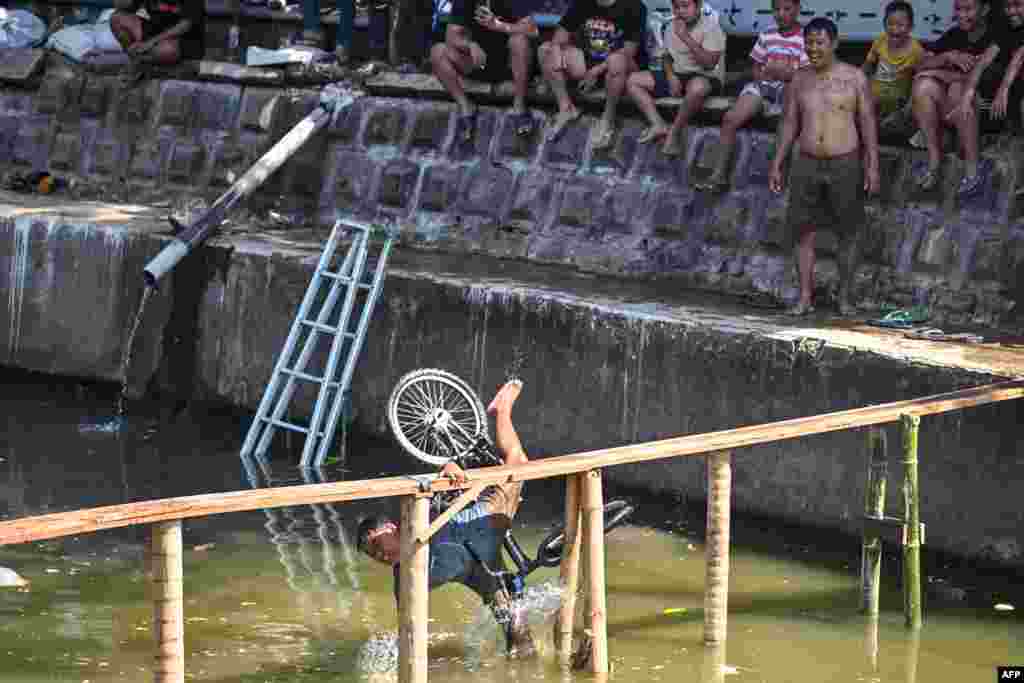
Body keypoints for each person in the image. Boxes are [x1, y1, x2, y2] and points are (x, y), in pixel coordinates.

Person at [357, 380, 536, 657]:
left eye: (379, 545)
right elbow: (408, 624)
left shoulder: (413, 518)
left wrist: (448, 466)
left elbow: (428, 484)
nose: (380, 555)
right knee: (521, 644)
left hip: (480, 524)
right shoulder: (403, 578)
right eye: (373, 555)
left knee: (518, 463)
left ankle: (503, 410)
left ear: (392, 528)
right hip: (478, 571)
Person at [768, 17, 879, 317]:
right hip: (806, 160)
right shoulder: (799, 79)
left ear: (834, 44)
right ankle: (805, 296)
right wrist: (778, 162)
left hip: (845, 160)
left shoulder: (855, 78)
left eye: (820, 43)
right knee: (803, 230)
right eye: (809, 43)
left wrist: (872, 165)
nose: (813, 48)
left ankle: (845, 297)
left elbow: (868, 123)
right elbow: (789, 123)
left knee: (849, 231)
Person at [696, 0, 806, 191]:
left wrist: (779, 71)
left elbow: (804, 75)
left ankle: (777, 172)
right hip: (764, 86)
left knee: (787, 115)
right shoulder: (767, 33)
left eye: (787, 9)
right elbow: (756, 65)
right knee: (731, 118)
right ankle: (718, 176)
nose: (781, 14)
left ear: (797, 9)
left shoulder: (805, 37)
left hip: (789, 90)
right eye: (777, 9)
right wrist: (764, 74)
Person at [909, 0, 998, 194]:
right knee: (923, 86)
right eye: (958, 9)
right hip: (952, 111)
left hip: (984, 111)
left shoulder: (996, 36)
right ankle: (934, 162)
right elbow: (919, 67)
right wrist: (947, 57)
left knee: (958, 87)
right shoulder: (953, 35)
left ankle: (973, 170)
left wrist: (941, 74)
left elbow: (980, 78)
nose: (962, 15)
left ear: (985, 9)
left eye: (968, 9)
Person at [538, 0, 645, 147]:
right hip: (588, 62)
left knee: (616, 60)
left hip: (622, 66)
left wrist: (596, 71)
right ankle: (566, 108)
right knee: (546, 49)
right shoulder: (583, 3)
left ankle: (607, 119)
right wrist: (556, 48)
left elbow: (629, 52)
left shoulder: (634, 6)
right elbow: (560, 35)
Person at [430, 0, 539, 143]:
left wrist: (499, 26)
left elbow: (532, 30)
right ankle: (465, 106)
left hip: (510, 64)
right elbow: (452, 36)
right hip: (479, 61)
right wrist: (470, 45)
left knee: (519, 41)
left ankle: (519, 106)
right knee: (437, 51)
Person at [626, 0, 725, 156]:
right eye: (677, 7)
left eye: (686, 6)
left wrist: (685, 37)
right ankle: (658, 124)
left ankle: (675, 131)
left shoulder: (711, 27)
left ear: (698, 6)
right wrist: (671, 76)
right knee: (633, 80)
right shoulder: (672, 26)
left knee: (698, 87)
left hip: (706, 76)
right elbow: (666, 56)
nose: (681, 11)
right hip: (678, 74)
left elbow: (709, 64)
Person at [862, 1, 925, 132]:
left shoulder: (916, 51)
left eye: (900, 25)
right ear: (884, 24)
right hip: (875, 96)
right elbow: (867, 67)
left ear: (910, 27)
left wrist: (907, 109)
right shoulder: (880, 41)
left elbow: (919, 80)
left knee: (894, 127)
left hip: (899, 101)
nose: (895, 29)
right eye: (890, 24)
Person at [110, 0, 205, 87]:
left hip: (179, 39)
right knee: (117, 18)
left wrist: (152, 41)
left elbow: (185, 25)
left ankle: (139, 62)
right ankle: (139, 58)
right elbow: (119, 4)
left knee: (167, 50)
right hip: (151, 34)